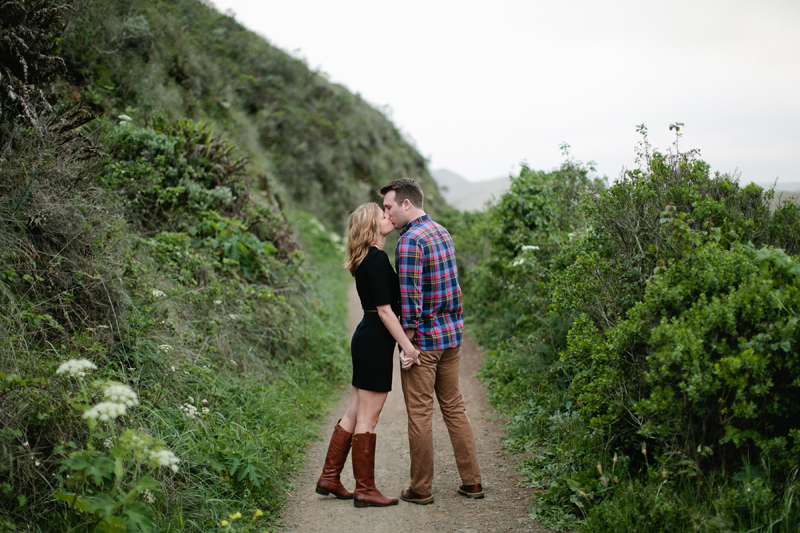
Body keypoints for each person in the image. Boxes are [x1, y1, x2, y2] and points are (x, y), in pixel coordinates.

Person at [380, 177, 483, 505]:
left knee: (420, 414)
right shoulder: (441, 231)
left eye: (389, 207)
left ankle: (420, 489)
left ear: (407, 204)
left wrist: (406, 346)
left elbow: (410, 301)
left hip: (424, 343)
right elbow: (454, 287)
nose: (388, 214)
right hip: (451, 338)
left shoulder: (409, 242)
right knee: (454, 407)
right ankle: (473, 482)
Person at [315, 202, 420, 508]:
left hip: (366, 337)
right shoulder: (375, 258)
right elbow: (386, 312)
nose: (388, 217)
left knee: (353, 412)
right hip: (375, 339)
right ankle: (365, 490)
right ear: (371, 226)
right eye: (382, 215)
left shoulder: (368, 258)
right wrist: (408, 347)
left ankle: (330, 478)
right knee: (367, 418)